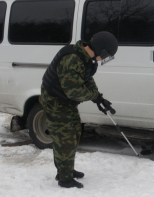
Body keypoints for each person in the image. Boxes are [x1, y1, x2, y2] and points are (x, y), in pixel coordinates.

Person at [40, 31, 118, 189]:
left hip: (65, 101)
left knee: (74, 133)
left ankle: (66, 169)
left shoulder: (85, 58)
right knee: (65, 139)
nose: (104, 59)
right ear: (101, 50)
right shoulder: (72, 60)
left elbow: (87, 79)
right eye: (106, 55)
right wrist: (92, 96)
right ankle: (64, 178)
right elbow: (74, 92)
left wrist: (99, 99)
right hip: (55, 102)